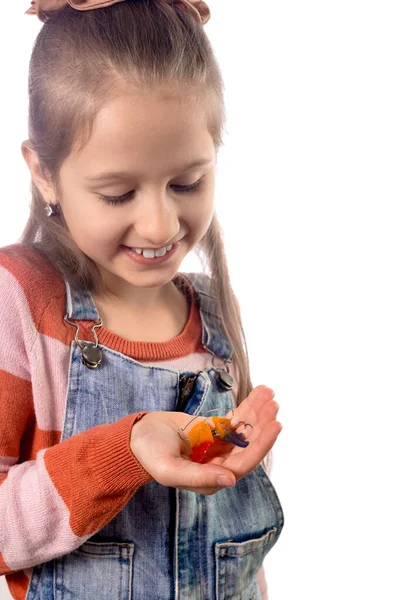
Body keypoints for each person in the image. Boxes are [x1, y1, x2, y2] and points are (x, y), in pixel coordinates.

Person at [0, 1, 284, 598]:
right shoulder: (21, 301)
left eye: (187, 183)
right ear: (44, 172)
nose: (159, 226)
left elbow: (240, 559)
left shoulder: (212, 317)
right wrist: (124, 450)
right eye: (117, 193)